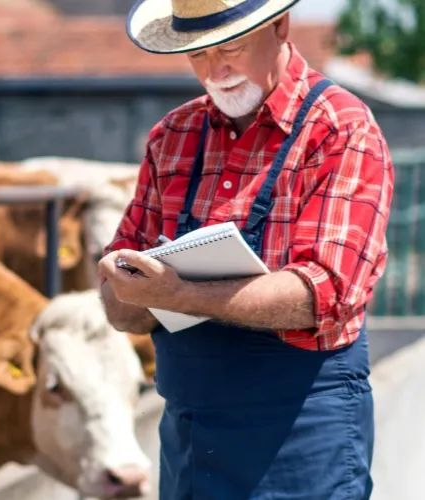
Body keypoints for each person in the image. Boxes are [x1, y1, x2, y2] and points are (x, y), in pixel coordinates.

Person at [98, 1, 394, 498]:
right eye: (198, 55)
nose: (216, 72)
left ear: (279, 25)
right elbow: (116, 298)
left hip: (303, 434)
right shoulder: (172, 137)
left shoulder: (342, 128)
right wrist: (122, 289)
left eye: (230, 48)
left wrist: (176, 293)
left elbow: (323, 292)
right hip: (189, 435)